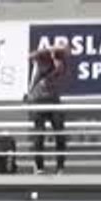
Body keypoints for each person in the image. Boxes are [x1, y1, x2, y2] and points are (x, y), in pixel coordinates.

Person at [27, 43, 69, 174]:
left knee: (60, 135)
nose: (57, 60)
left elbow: (67, 50)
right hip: (39, 101)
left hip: (54, 101)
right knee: (39, 136)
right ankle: (39, 167)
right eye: (55, 57)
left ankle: (60, 167)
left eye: (59, 57)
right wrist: (48, 51)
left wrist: (57, 52)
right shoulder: (43, 60)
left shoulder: (62, 65)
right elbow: (30, 56)